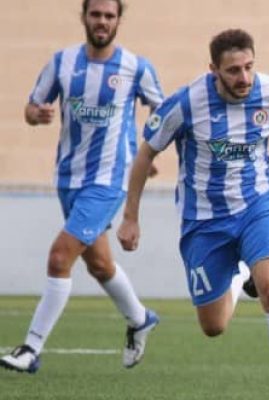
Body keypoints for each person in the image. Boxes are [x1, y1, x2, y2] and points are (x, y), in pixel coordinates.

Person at [117, 29, 269, 400]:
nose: (244, 78)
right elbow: (146, 154)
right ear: (214, 70)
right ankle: (242, 275)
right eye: (234, 71)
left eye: (249, 67)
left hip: (257, 205)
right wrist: (131, 216)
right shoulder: (187, 103)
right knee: (214, 326)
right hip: (204, 219)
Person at [0, 0, 163, 374]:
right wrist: (35, 115)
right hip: (68, 179)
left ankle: (30, 348)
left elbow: (164, 113)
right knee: (101, 265)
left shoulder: (136, 67)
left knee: (60, 257)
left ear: (119, 20)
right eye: (96, 14)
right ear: (84, 17)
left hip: (108, 181)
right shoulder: (62, 63)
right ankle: (140, 319)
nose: (102, 21)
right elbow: (31, 107)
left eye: (109, 16)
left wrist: (146, 157)